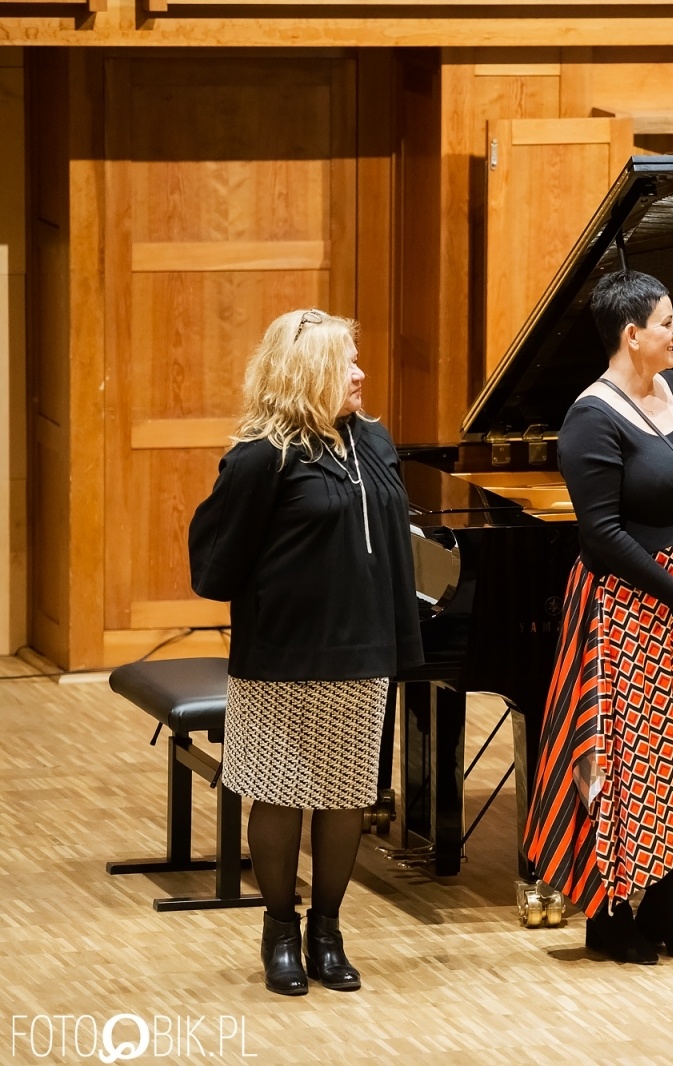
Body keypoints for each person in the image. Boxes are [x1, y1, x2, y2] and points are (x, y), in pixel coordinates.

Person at [190, 309, 422, 996]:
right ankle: (280, 930)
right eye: (344, 364)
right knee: (281, 794)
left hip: (363, 650)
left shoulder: (373, 442)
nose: (359, 373)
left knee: (347, 793)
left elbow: (394, 549)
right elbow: (216, 561)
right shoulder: (263, 454)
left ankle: (328, 929)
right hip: (285, 654)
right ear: (306, 374)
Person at [524, 270, 673, 965]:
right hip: (626, 611)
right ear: (633, 334)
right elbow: (602, 536)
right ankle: (611, 916)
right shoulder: (590, 417)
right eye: (668, 323)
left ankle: (666, 908)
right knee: (625, 765)